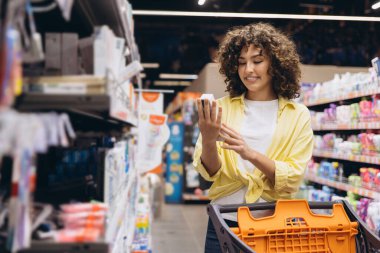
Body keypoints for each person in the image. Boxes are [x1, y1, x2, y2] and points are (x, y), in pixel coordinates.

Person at [192, 22, 314, 252]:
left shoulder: (297, 115)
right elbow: (210, 172)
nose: (248, 69)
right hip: (223, 225)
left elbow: (293, 177)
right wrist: (208, 139)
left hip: (274, 229)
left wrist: (250, 154)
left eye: (257, 61)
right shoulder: (221, 108)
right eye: (241, 62)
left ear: (275, 64)